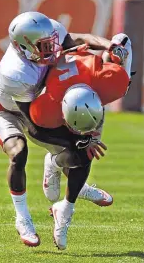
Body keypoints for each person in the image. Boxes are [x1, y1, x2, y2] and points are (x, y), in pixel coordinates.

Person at [0, 11, 124, 247]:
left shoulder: (50, 30)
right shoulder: (15, 73)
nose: (52, 48)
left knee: (83, 149)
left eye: (51, 41)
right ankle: (22, 218)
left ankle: (71, 180)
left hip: (46, 101)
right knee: (19, 152)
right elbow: (35, 127)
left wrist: (107, 44)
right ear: (23, 48)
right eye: (43, 45)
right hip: (8, 111)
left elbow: (78, 40)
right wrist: (76, 140)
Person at [28, 33, 133, 250]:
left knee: (87, 150)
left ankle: (66, 204)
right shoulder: (45, 109)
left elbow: (83, 37)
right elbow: (35, 132)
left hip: (90, 90)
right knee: (79, 148)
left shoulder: (111, 82)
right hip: (60, 100)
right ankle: (57, 164)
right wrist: (71, 142)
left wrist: (112, 47)